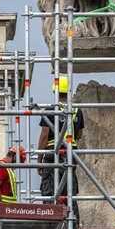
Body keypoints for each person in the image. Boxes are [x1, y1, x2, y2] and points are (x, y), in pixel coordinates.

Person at [37, 76, 83, 220]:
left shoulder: (50, 110)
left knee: (50, 190)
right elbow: (79, 134)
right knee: (69, 190)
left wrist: (39, 159)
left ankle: (50, 220)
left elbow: (44, 135)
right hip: (70, 154)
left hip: (53, 154)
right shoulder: (76, 111)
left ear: (55, 92)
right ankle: (73, 220)